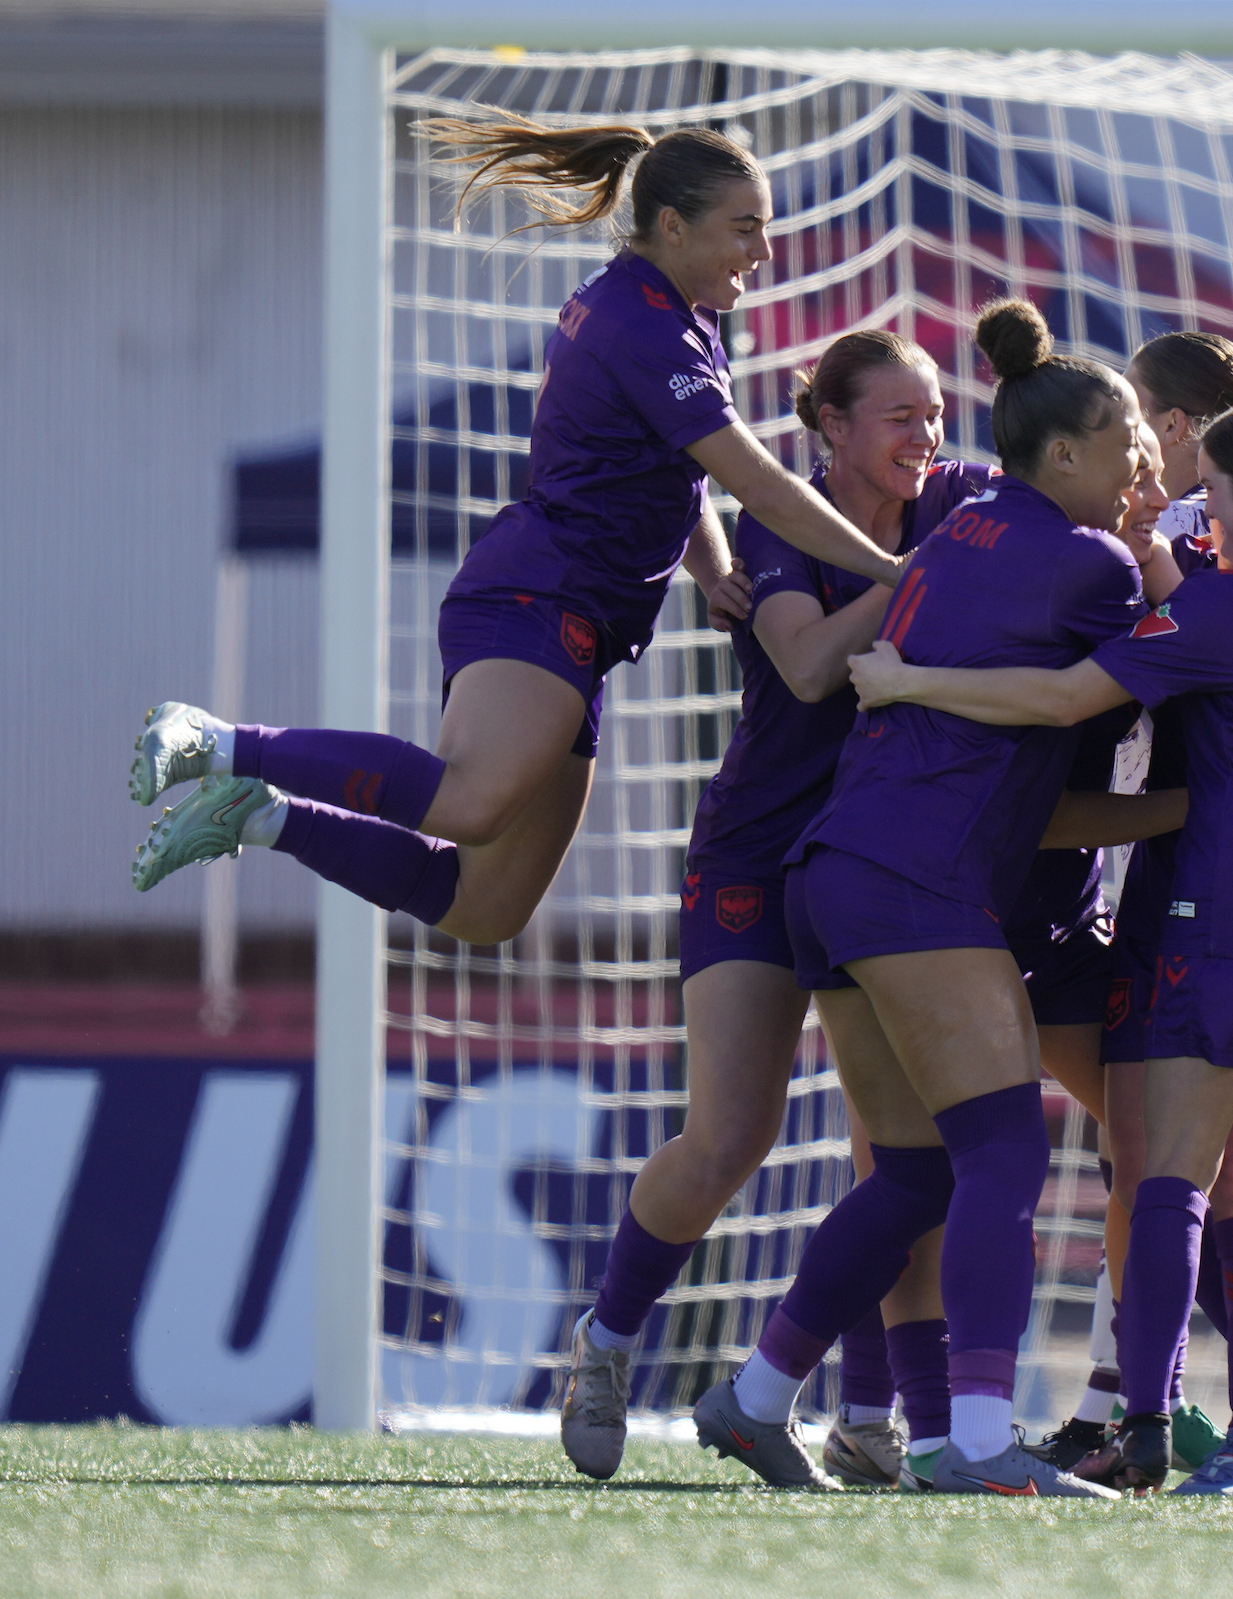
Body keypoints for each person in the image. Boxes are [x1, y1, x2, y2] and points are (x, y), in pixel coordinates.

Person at [127, 116, 901, 947]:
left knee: (485, 909)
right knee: (469, 802)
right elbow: (761, 484)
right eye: (745, 227)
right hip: (539, 596)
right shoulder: (643, 322)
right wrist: (896, 571)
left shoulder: (679, 313)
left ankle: (260, 815)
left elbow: (684, 468)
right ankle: (218, 741)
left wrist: (711, 570)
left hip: (581, 621)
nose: (764, 250)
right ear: (674, 226)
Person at [850, 398, 1233, 1497]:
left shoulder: (1226, 606)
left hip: (1228, 920)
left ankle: (1151, 1423)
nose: (1195, 506)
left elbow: (1066, 695)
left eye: (1210, 486)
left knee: (1169, 1179)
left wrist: (910, 680)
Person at [696, 298, 1147, 1498]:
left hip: (829, 873)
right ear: (1064, 454)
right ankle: (977, 1441)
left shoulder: (956, 535)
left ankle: (756, 1397)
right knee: (1002, 1151)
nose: (1142, 464)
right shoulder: (1093, 564)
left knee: (912, 1174)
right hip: (918, 883)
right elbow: (1127, 684)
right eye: (1127, 443)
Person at [555, 331, 989, 1488]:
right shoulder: (782, 523)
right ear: (829, 427)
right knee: (731, 1137)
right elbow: (803, 668)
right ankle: (607, 1341)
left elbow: (1058, 510)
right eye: (899, 415)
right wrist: (912, 577)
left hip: (881, 864)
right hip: (758, 853)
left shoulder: (963, 498)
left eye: (935, 413)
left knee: (908, 1160)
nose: (926, 436)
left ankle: (888, 1421)